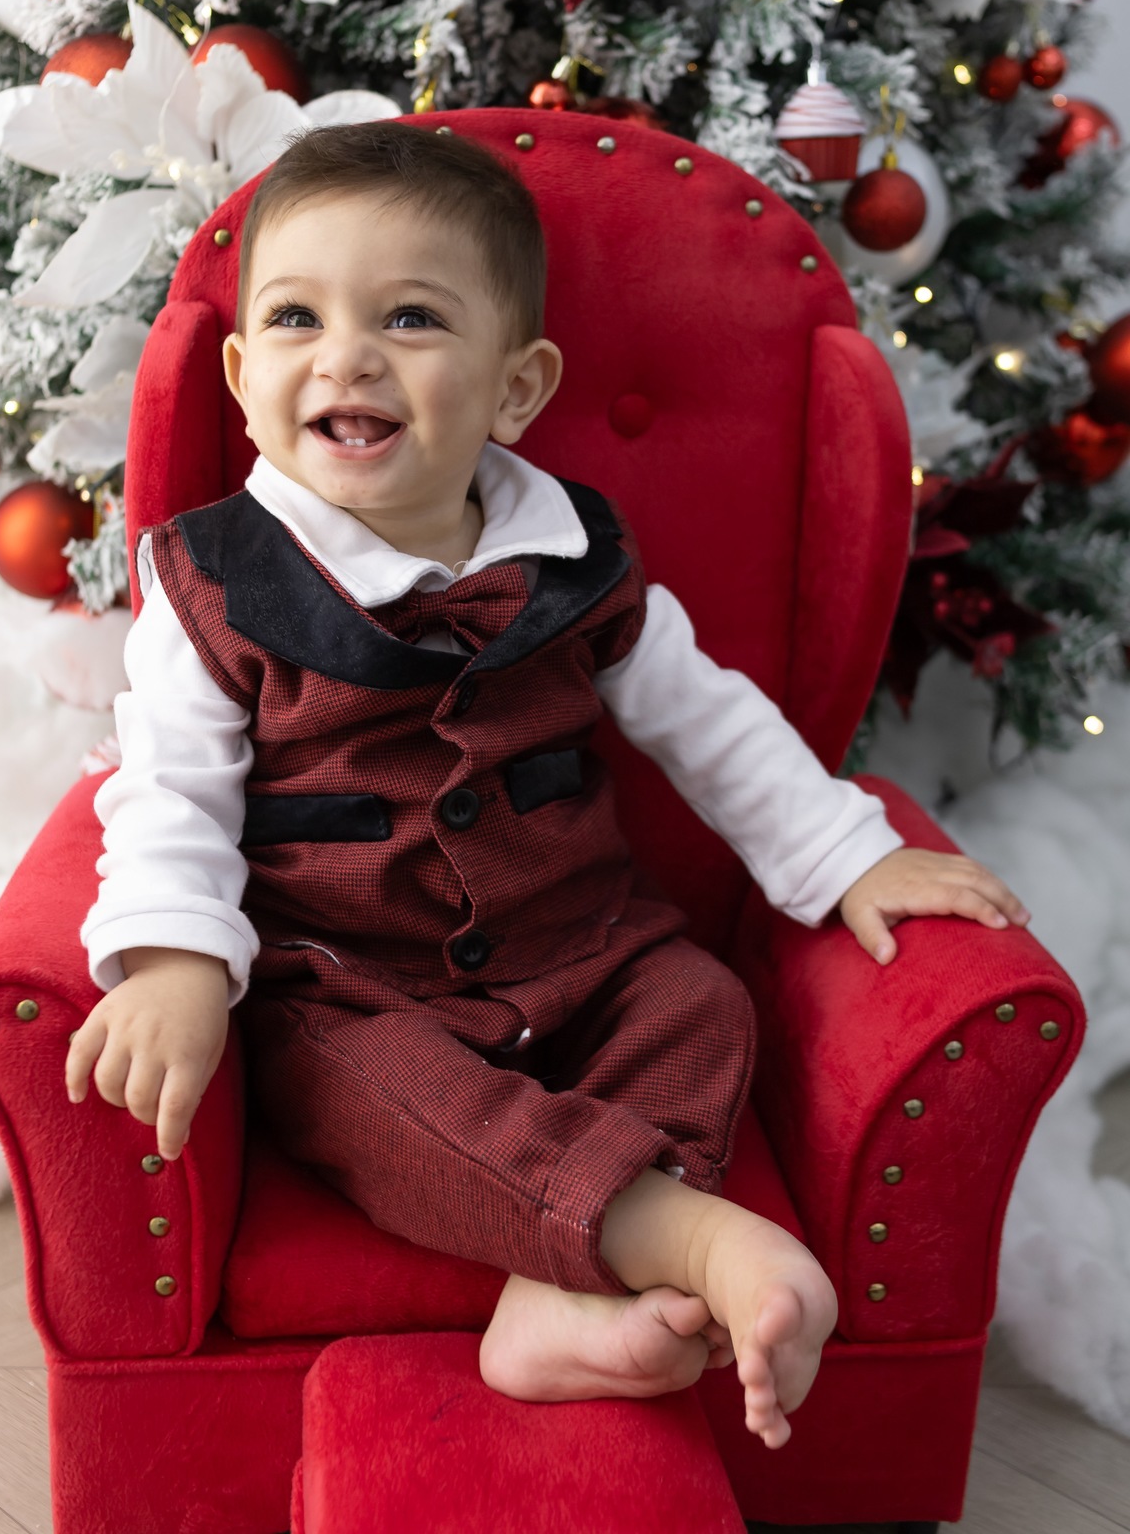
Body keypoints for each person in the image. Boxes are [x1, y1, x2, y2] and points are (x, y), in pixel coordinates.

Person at [67, 122, 1029, 1450]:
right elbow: (169, 787)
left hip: (583, 950)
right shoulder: (216, 581)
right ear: (241, 377)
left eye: (410, 318)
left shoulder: (575, 558)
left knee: (699, 1007)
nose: (345, 357)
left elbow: (709, 722)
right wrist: (174, 961)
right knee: (375, 1099)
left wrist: (848, 855)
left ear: (515, 388)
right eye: (295, 318)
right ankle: (679, 1234)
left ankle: (552, 1296)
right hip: (346, 985)